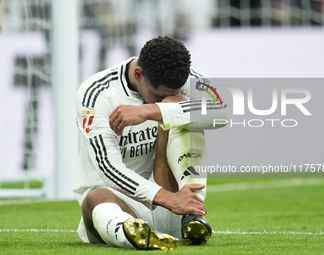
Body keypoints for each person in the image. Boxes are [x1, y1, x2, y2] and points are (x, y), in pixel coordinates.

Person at [74, 36, 228, 250]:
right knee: (94, 196)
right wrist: (165, 198)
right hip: (120, 202)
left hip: (175, 200)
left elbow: (223, 111)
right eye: (157, 96)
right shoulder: (96, 93)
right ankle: (130, 230)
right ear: (138, 74)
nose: (161, 100)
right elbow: (108, 168)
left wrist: (153, 110)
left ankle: (193, 214)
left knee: (181, 106)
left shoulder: (187, 79)